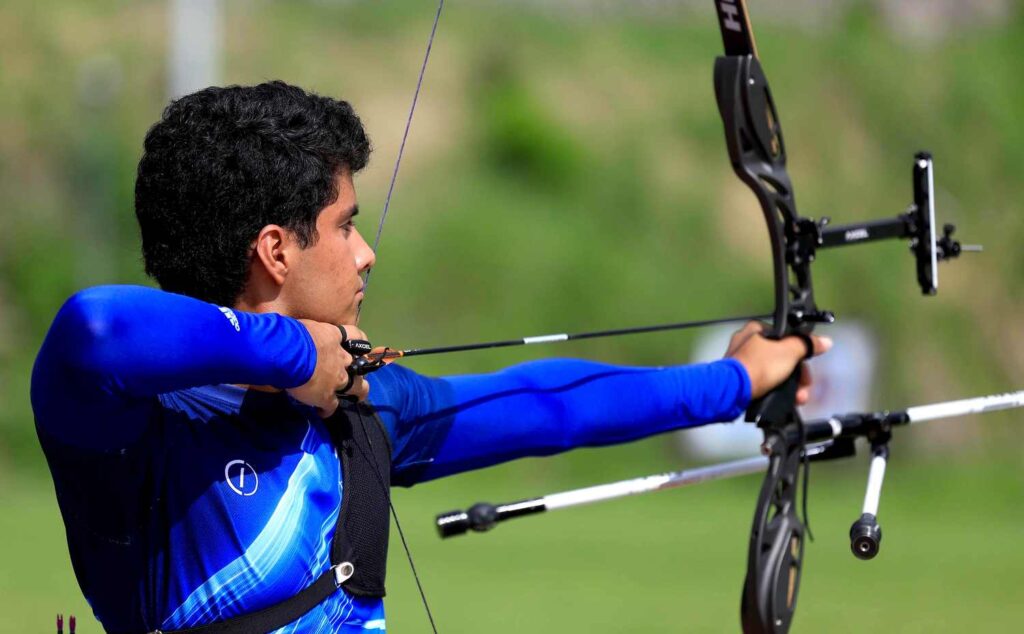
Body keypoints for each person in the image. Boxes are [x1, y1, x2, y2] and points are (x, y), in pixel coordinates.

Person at [31, 81, 830, 633]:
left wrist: (733, 380)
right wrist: (294, 352)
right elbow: (95, 329)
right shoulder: (143, 434)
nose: (366, 254)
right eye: (346, 225)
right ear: (275, 251)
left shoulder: (360, 414)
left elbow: (546, 406)